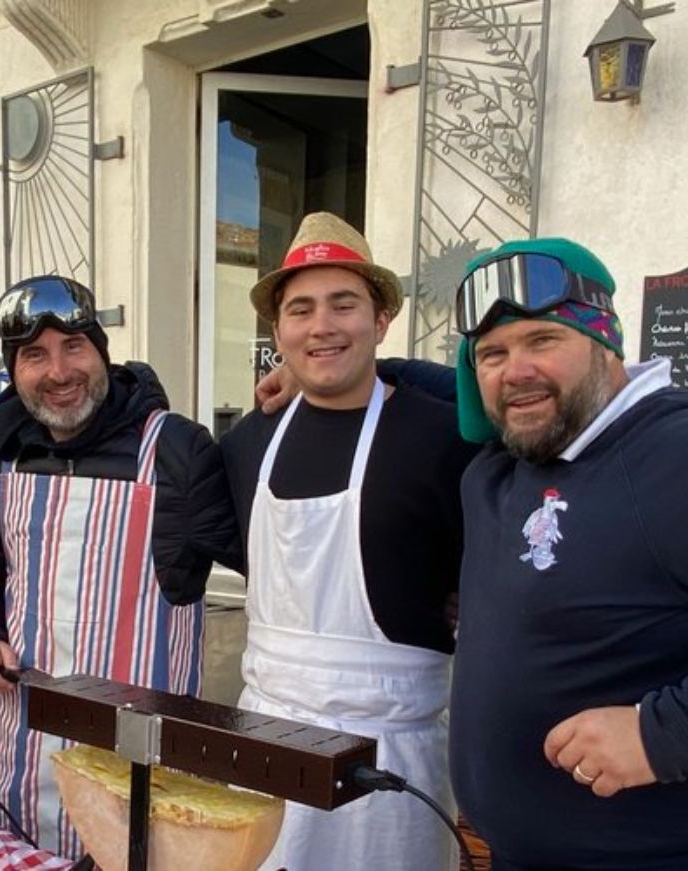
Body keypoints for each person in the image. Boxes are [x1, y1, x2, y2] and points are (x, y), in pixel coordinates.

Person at [220, 212, 476, 871]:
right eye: (300, 309)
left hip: (391, 759)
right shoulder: (247, 444)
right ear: (278, 331)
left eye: (344, 304)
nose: (321, 326)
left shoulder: (446, 439)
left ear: (381, 319)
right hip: (265, 740)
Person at [0, 275, 242, 857]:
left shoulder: (176, 452)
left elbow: (266, 563)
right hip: (18, 745)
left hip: (135, 756)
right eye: (34, 355)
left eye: (74, 347)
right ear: (13, 370)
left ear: (102, 353)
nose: (59, 372)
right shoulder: (6, 454)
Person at [449, 237, 688, 869]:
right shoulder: (499, 468)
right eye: (492, 354)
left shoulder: (681, 453)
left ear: (605, 344)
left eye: (543, 341)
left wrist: (665, 733)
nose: (516, 371)